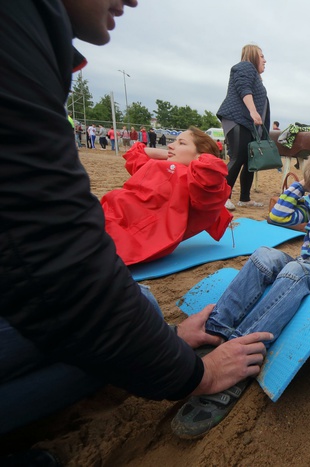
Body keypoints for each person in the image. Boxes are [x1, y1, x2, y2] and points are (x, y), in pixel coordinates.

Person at [0, 0, 272, 437]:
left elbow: (210, 185)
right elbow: (55, 264)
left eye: (184, 141)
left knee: (136, 310)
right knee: (130, 316)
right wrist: (190, 374)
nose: (133, 2)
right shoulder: (19, 46)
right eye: (176, 140)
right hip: (103, 224)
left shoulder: (193, 173)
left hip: (120, 231)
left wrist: (196, 158)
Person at [172, 151, 310, 438]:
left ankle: (241, 352)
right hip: (307, 264)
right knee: (264, 254)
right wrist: (303, 186)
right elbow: (278, 216)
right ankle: (217, 331)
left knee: (296, 271)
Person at [101, 127, 233, 266]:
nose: (171, 145)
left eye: (181, 143)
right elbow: (135, 153)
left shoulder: (199, 182)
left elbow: (212, 169)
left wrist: (197, 158)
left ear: (200, 155)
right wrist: (170, 154)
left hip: (127, 231)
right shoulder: (159, 166)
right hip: (108, 212)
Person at [217, 44, 269, 210]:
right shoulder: (245, 66)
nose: (265, 60)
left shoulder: (254, 74)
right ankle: (221, 197)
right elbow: (243, 88)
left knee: (249, 161)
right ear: (253, 55)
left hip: (248, 123)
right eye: (261, 56)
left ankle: (244, 198)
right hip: (237, 119)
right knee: (238, 157)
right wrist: (253, 111)